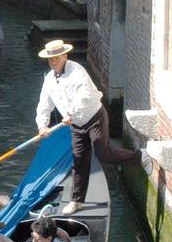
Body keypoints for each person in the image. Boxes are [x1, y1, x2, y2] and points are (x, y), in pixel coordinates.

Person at [35, 40, 153, 215]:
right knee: (79, 160)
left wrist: (71, 113)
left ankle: (140, 156)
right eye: (50, 59)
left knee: (103, 153)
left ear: (64, 56)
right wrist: (42, 125)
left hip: (94, 118)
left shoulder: (77, 72)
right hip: (76, 125)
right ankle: (77, 201)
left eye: (56, 59)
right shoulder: (49, 80)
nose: (53, 63)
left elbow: (85, 96)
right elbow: (44, 104)